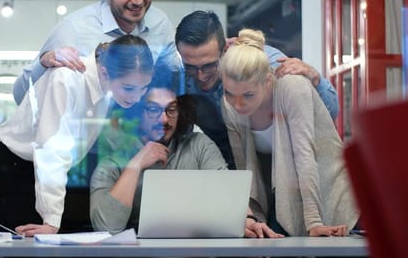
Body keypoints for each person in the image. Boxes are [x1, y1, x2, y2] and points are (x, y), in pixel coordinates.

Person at [0, 35, 154, 236]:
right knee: (35, 253)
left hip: (55, 177)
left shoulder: (105, 84)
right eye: (129, 88)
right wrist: (51, 220)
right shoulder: (66, 79)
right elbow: (51, 153)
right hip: (15, 175)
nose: (136, 97)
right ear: (104, 72)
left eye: (143, 89)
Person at [89, 68, 282, 238]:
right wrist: (135, 165)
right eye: (153, 110)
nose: (164, 119)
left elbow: (225, 195)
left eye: (171, 109)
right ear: (138, 113)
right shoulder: (112, 164)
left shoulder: (198, 145)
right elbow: (108, 227)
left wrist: (246, 220)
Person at [219, 28, 359, 237]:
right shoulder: (229, 105)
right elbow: (245, 170)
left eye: (248, 95)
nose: (238, 104)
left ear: (267, 81)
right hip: (286, 200)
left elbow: (305, 156)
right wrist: (252, 219)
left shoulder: (292, 87)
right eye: (230, 93)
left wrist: (314, 222)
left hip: (330, 194)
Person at [12, 0, 181, 105]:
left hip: (137, 131)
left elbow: (174, 83)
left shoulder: (160, 24)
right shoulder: (74, 29)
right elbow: (21, 96)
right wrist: (43, 63)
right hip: (86, 131)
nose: (137, 0)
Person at [175, 11, 339, 169]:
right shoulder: (180, 80)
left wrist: (315, 79)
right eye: (190, 67)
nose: (201, 76)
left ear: (224, 49)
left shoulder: (261, 62)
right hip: (232, 166)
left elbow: (330, 112)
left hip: (287, 163)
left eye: (209, 66)